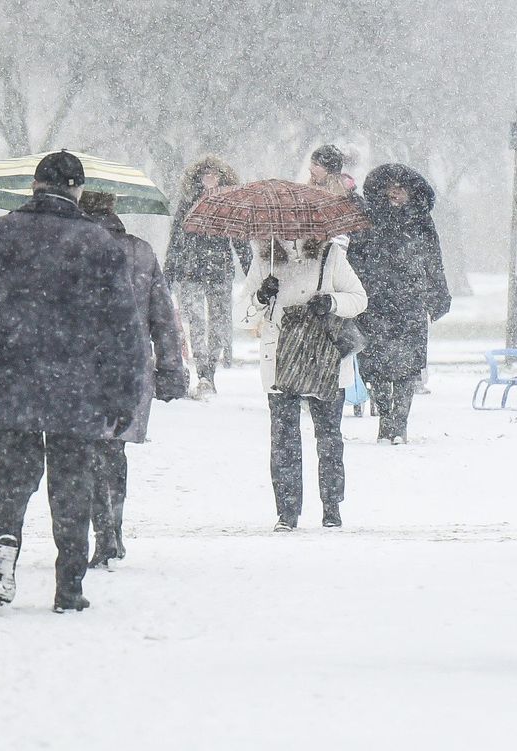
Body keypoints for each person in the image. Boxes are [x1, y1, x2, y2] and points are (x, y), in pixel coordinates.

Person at [0, 151, 145, 612]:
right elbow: (123, 327)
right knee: (72, 483)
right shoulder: (98, 244)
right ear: (77, 190)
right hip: (76, 386)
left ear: (34, 186)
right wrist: (124, 392)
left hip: (9, 376)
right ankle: (69, 584)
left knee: (12, 478)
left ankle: (5, 536)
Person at [80, 191, 188, 568]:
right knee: (114, 450)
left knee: (86, 451)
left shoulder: (72, 250)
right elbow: (164, 317)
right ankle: (114, 527)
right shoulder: (140, 251)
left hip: (83, 364)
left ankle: (102, 531)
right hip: (131, 366)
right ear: (113, 210)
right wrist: (171, 369)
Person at [242, 236, 367, 531]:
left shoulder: (330, 254)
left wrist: (331, 302)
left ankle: (332, 507)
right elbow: (241, 315)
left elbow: (359, 298)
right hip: (280, 359)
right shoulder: (265, 258)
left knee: (329, 437)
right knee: (284, 438)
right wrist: (261, 297)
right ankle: (287, 511)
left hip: (323, 355)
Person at [347, 164, 450, 444]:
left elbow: (433, 260)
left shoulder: (421, 221)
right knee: (377, 366)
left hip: (410, 302)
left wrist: (438, 295)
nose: (394, 193)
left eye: (400, 188)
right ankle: (385, 419)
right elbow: (355, 257)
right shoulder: (369, 219)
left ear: (410, 192)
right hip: (375, 301)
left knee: (407, 367)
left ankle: (399, 424)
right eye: (390, 187)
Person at [163, 156, 252, 396]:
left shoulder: (229, 205)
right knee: (197, 323)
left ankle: (209, 370)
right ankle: (203, 371)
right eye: (206, 174)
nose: (209, 179)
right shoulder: (188, 204)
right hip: (191, 271)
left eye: (214, 174)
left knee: (218, 323)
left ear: (223, 178)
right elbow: (175, 242)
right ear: (198, 178)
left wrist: (253, 274)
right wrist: (167, 279)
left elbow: (240, 242)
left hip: (220, 271)